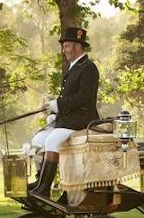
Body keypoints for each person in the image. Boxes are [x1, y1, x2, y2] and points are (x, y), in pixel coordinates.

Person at [29, 27, 100, 199]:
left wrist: (59, 105)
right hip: (68, 119)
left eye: (67, 46)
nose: (64, 50)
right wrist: (55, 115)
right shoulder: (72, 67)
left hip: (82, 119)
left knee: (52, 140)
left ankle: (44, 189)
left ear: (77, 46)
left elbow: (85, 96)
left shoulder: (89, 68)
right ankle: (40, 181)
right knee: (38, 140)